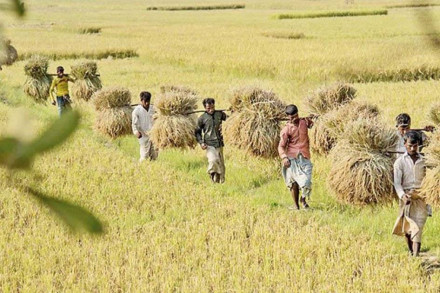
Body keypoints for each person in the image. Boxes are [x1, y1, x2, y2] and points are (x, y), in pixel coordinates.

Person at [392, 131, 430, 257]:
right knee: (407, 228)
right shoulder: (399, 162)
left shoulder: (424, 161)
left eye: (415, 146)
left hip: (421, 197)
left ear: (419, 144)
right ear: (405, 144)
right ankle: (411, 252)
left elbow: (429, 178)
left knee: (418, 226)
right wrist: (403, 196)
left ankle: (415, 255)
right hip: (406, 197)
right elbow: (397, 183)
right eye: (410, 146)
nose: (413, 148)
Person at [278, 104, 314, 210]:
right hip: (292, 158)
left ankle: (303, 199)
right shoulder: (286, 129)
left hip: (305, 156)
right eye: (290, 117)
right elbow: (280, 146)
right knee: (293, 182)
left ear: (297, 114)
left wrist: (315, 117)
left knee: (306, 181)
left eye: (294, 116)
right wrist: (284, 157)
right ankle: (296, 205)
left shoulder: (304, 122)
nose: (292, 119)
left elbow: (313, 124)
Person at [195, 98, 227, 183]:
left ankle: (220, 182)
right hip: (209, 144)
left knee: (220, 164)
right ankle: (212, 176)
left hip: (219, 143)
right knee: (213, 161)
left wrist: (234, 111)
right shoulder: (202, 118)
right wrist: (201, 143)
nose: (211, 110)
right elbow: (197, 132)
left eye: (213, 107)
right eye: (208, 108)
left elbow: (230, 120)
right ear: (205, 108)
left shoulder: (220, 114)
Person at [132, 91, 158, 162]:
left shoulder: (153, 109)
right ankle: (142, 168)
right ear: (141, 100)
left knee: (154, 155)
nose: (147, 103)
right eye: (145, 101)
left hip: (154, 135)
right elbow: (134, 124)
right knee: (144, 156)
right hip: (143, 135)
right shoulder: (137, 111)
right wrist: (136, 132)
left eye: (148, 101)